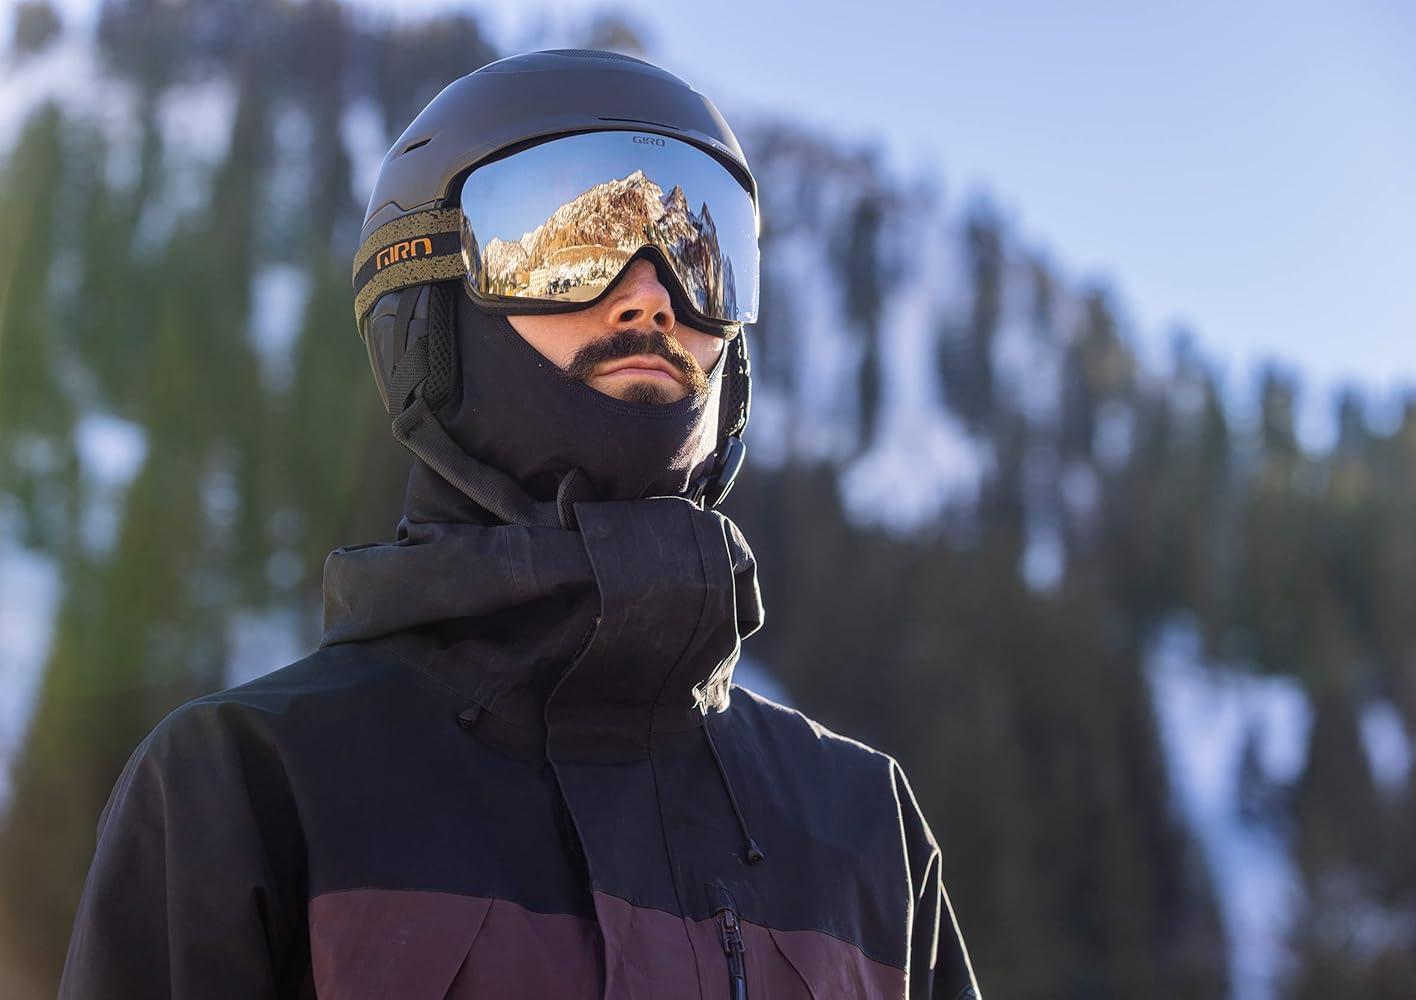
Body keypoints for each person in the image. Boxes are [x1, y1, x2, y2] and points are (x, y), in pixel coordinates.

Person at [59, 48, 980, 999]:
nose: (652, 295)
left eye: (703, 256)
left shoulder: (865, 830)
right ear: (430, 311)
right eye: (569, 250)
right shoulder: (255, 787)